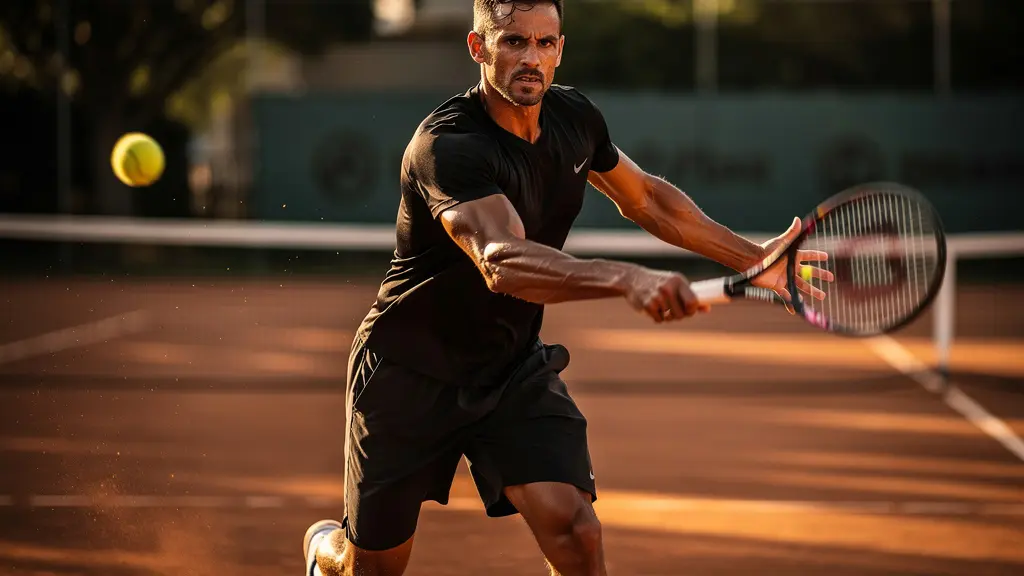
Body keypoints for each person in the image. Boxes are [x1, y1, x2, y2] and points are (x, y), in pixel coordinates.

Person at [302, 1, 827, 574]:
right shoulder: (446, 145)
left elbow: (646, 198)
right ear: (479, 48)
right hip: (407, 372)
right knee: (370, 568)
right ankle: (325, 547)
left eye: (545, 43)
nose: (532, 58)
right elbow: (501, 260)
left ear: (560, 49)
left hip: (509, 369)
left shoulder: (575, 120)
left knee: (577, 532)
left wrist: (758, 261)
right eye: (513, 43)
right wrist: (625, 278)